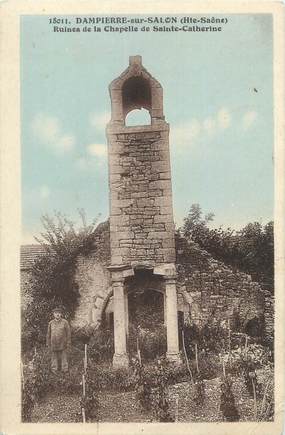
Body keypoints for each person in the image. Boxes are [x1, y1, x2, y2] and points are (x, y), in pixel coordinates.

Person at [46, 307, 71, 374]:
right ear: (53, 314)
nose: (57, 314)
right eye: (56, 313)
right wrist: (48, 342)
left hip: (63, 342)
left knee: (63, 356)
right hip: (53, 343)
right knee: (54, 357)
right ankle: (54, 369)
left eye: (59, 313)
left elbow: (68, 333)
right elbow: (48, 333)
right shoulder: (51, 323)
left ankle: (65, 369)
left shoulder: (65, 322)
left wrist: (68, 342)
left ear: (61, 314)